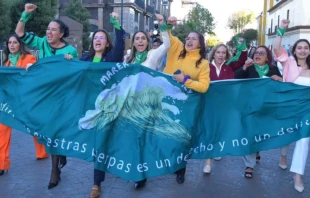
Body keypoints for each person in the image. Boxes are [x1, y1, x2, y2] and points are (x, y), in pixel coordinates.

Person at [15, 3, 78, 189]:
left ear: (62, 33)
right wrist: (25, 15)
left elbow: (74, 75)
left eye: (53, 30)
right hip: (44, 96)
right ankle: (61, 155)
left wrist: (70, 62)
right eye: (48, 29)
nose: (49, 32)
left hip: (61, 98)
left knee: (54, 131)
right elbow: (19, 34)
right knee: (47, 130)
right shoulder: (41, 42)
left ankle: (54, 172)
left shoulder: (70, 51)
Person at [79, 12, 125, 198]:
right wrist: (64, 61)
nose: (98, 40)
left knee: (104, 145)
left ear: (107, 43)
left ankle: (99, 182)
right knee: (96, 144)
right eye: (95, 37)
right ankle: (96, 183)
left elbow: (121, 46)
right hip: (89, 108)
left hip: (108, 110)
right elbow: (70, 72)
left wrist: (116, 24)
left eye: (102, 38)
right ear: (92, 42)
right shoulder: (85, 60)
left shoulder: (111, 59)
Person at [126, 13, 170, 189]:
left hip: (147, 102)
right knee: (134, 138)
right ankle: (139, 172)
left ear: (147, 41)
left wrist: (162, 25)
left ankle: (141, 173)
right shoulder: (128, 56)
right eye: (137, 38)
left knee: (142, 138)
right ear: (134, 42)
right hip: (130, 103)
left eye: (143, 38)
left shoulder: (152, 55)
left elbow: (167, 44)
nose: (140, 41)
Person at [164, 16, 210, 184]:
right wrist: (167, 24)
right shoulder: (177, 51)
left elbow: (204, 86)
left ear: (200, 43)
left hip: (187, 107)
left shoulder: (203, 63)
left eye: (193, 38)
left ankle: (180, 170)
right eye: (188, 38)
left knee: (181, 139)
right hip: (167, 101)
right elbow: (168, 36)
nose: (189, 40)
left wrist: (185, 81)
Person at [0, 34, 50, 176]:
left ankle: (43, 152)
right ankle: (2, 163)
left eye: (15, 42)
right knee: (2, 129)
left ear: (20, 44)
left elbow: (35, 76)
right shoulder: (5, 64)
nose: (12, 45)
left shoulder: (29, 58)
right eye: (9, 42)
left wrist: (30, 69)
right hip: (9, 102)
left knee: (33, 126)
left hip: (27, 101)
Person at [274, 19, 310, 193]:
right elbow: (276, 49)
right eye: (300, 47)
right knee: (287, 135)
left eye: (306, 47)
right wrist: (281, 30)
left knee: (304, 140)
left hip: (307, 111)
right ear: (294, 50)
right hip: (289, 107)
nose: (303, 50)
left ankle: (297, 175)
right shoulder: (288, 62)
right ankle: (283, 156)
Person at [235, 46, 282, 179]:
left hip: (266, 108)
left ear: (267, 57)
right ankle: (249, 165)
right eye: (256, 53)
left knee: (259, 133)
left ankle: (256, 150)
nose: (258, 55)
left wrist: (280, 79)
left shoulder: (273, 69)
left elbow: (281, 84)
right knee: (249, 133)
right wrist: (244, 67)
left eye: (262, 53)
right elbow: (235, 77)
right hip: (248, 107)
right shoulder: (249, 67)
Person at [203, 37, 247, 173]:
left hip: (225, 105)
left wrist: (242, 46)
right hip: (209, 104)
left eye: (223, 53)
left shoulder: (229, 67)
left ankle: (217, 149)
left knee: (221, 129)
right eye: (218, 52)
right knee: (209, 131)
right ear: (213, 53)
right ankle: (207, 162)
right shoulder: (206, 66)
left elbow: (241, 60)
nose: (221, 55)